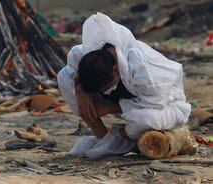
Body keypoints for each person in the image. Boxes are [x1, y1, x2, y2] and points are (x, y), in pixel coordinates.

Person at [57, 13, 191, 158]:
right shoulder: (88, 53)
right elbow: (72, 65)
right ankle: (103, 136)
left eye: (103, 88)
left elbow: (152, 104)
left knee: (145, 120)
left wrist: (107, 108)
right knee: (64, 77)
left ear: (115, 70)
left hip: (165, 106)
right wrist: (80, 89)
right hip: (126, 103)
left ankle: (124, 137)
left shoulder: (143, 70)